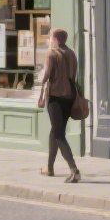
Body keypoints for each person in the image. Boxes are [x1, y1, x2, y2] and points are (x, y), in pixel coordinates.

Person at [36, 29, 81, 183]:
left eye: (50, 37)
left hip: (55, 97)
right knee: (56, 130)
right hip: (70, 97)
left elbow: (46, 74)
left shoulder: (52, 54)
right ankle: (49, 167)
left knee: (59, 134)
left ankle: (74, 170)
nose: (50, 40)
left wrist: (41, 90)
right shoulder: (72, 54)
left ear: (54, 38)